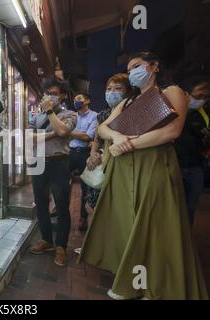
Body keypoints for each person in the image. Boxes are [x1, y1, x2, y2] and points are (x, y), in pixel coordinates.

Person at [78, 52, 208, 300]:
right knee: (129, 221)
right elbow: (103, 128)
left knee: (157, 224)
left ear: (155, 66)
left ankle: (158, 284)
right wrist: (116, 137)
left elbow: (172, 131)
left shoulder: (172, 92)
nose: (133, 72)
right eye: (130, 69)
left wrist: (129, 144)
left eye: (137, 66)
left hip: (155, 165)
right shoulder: (127, 103)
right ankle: (136, 278)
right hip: (125, 169)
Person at [27, 79, 77, 267]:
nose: (49, 96)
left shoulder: (69, 114)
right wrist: (52, 134)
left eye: (54, 93)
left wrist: (49, 112)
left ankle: (61, 247)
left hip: (59, 163)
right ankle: (47, 240)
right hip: (38, 163)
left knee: (62, 207)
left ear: (62, 95)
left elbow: (63, 130)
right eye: (47, 93)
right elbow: (29, 137)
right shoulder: (37, 116)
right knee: (41, 204)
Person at [85, 73, 133, 211]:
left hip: (121, 166)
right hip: (101, 165)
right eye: (109, 89)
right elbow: (96, 139)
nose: (112, 92)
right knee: (92, 207)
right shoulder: (103, 115)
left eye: (118, 88)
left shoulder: (131, 114)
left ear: (128, 92)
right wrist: (93, 153)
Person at [174, 78, 210, 224]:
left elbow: (203, 144)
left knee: (190, 208)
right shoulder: (176, 110)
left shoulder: (204, 115)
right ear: (188, 93)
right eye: (198, 94)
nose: (201, 99)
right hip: (175, 166)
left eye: (205, 96)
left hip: (195, 168)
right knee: (174, 207)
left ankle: (186, 241)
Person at [68, 93, 98, 231]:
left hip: (84, 154)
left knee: (85, 187)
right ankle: (60, 208)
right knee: (62, 183)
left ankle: (83, 217)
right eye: (75, 99)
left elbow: (88, 136)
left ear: (88, 100)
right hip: (70, 152)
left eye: (79, 99)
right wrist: (74, 133)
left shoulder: (94, 116)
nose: (76, 101)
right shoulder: (73, 116)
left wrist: (67, 130)